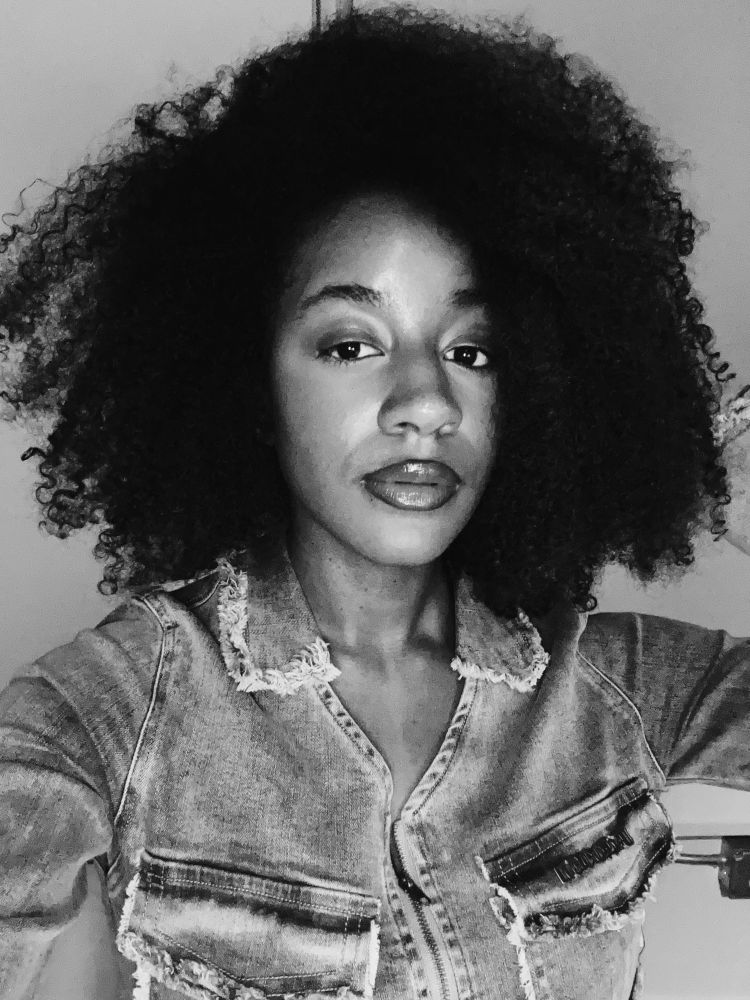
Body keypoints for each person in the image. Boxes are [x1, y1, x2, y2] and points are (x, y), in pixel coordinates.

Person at [0, 6, 748, 1000]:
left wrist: (722, 461)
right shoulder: (104, 718)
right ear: (246, 383)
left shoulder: (614, 688)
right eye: (350, 344)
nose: (427, 402)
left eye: (473, 350)